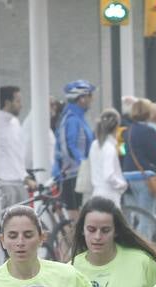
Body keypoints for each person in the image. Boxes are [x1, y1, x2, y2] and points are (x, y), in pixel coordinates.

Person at [122, 98, 156, 240]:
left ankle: (132, 244)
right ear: (149, 113)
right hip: (144, 177)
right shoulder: (148, 131)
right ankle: (143, 248)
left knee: (135, 215)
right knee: (147, 216)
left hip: (128, 176)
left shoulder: (128, 130)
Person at [54, 79, 97, 222]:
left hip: (79, 172)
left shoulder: (79, 117)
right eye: (90, 96)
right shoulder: (71, 118)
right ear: (82, 98)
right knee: (74, 216)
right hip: (72, 174)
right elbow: (69, 147)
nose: (92, 99)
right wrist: (83, 163)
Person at [88, 106, 128, 204]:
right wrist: (122, 184)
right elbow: (109, 175)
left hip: (96, 192)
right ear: (116, 127)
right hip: (110, 195)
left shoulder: (95, 144)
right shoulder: (110, 148)